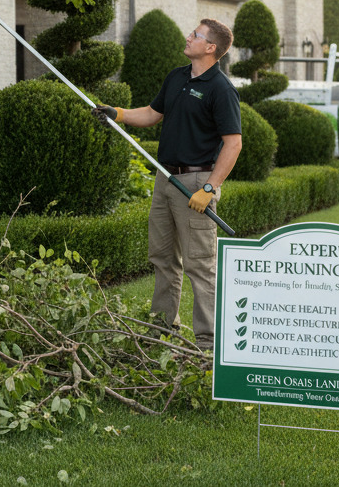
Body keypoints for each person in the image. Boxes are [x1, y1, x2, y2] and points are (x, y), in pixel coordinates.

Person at [95, 18, 242, 350]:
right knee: (162, 257)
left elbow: (233, 144)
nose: (188, 37)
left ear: (211, 47)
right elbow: (152, 113)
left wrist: (209, 188)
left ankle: (207, 345)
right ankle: (162, 332)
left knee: (199, 265)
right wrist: (118, 113)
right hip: (166, 178)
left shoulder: (221, 89)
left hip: (196, 181)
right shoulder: (177, 77)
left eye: (196, 35)